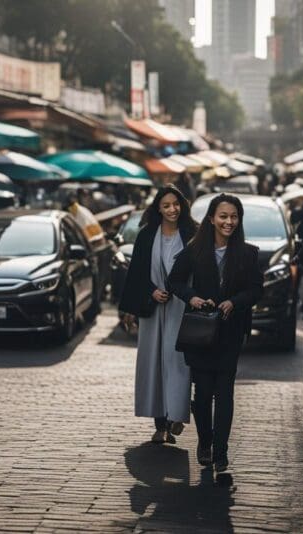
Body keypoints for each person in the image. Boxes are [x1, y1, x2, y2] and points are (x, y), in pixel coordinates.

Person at [167, 193, 263, 482]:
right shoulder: (195, 250)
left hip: (231, 333)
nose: (228, 222)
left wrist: (235, 302)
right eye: (223, 216)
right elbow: (174, 281)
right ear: (211, 218)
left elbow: (256, 290)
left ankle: (220, 452)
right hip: (200, 334)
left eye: (234, 217)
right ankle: (205, 442)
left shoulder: (248, 253)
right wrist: (192, 297)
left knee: (225, 394)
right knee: (203, 393)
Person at [118, 185, 197, 445]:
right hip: (152, 309)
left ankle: (176, 415)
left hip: (182, 308)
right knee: (153, 365)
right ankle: (160, 424)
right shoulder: (146, 235)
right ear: (158, 209)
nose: (172, 209)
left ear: (182, 205)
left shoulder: (192, 233)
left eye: (176, 204)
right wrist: (151, 292)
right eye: (166, 205)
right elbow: (136, 273)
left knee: (178, 363)